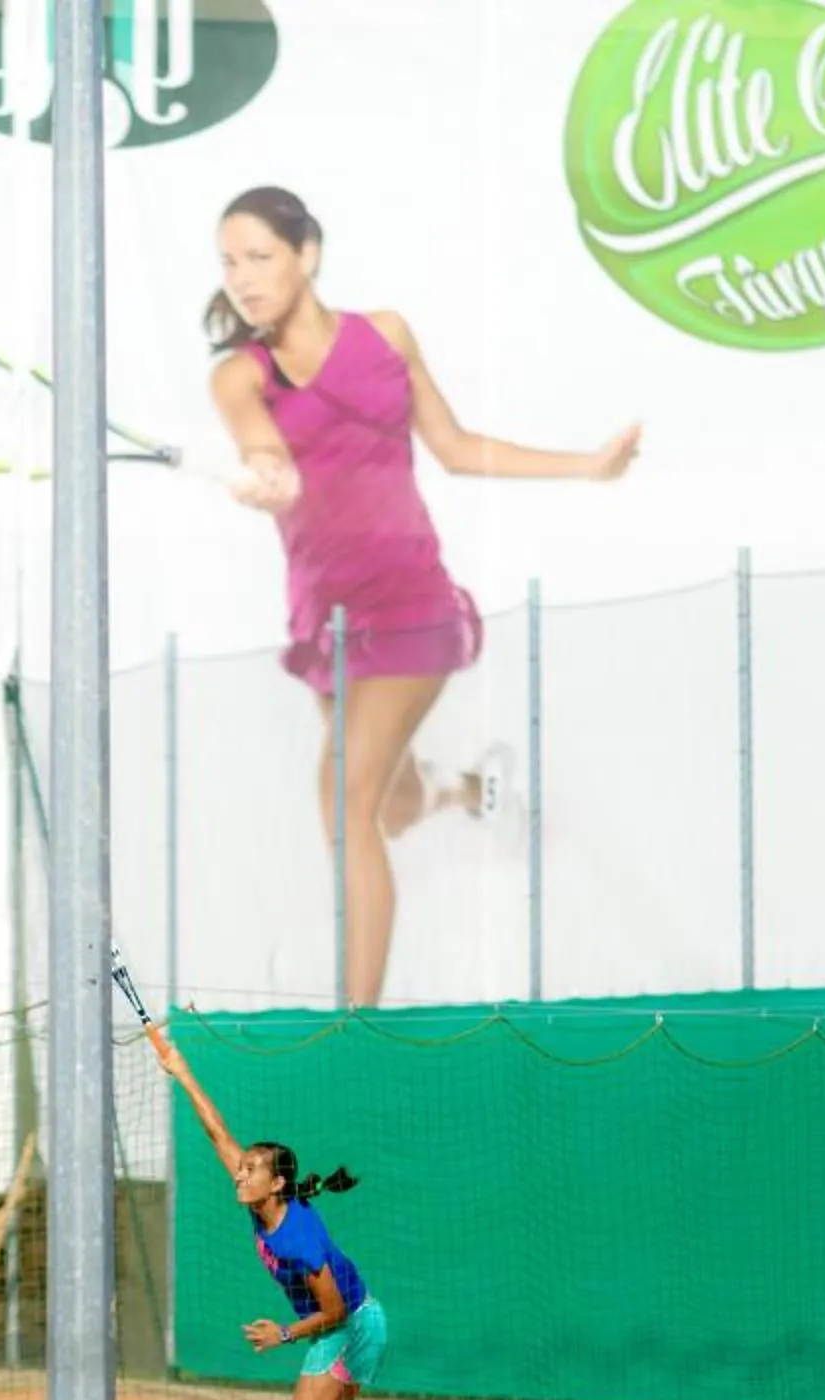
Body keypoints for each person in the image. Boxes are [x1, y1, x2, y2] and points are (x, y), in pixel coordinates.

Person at [205, 184, 639, 1008]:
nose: (244, 278)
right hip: (326, 621)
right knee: (389, 805)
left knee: (344, 802)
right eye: (229, 263)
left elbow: (457, 447)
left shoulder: (385, 335)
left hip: (412, 603)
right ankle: (466, 790)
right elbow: (266, 452)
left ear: (308, 254)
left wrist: (587, 465)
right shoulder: (239, 378)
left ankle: (355, 1028)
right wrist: (267, 474)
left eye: (260, 256)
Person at [145, 1023, 382, 1400]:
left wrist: (282, 1333)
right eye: (243, 1166)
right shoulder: (264, 1206)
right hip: (358, 1322)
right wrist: (182, 1071)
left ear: (275, 1184)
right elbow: (216, 1131)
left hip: (347, 1327)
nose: (240, 1172)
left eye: (251, 1170)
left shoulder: (298, 1236)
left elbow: (331, 1309)